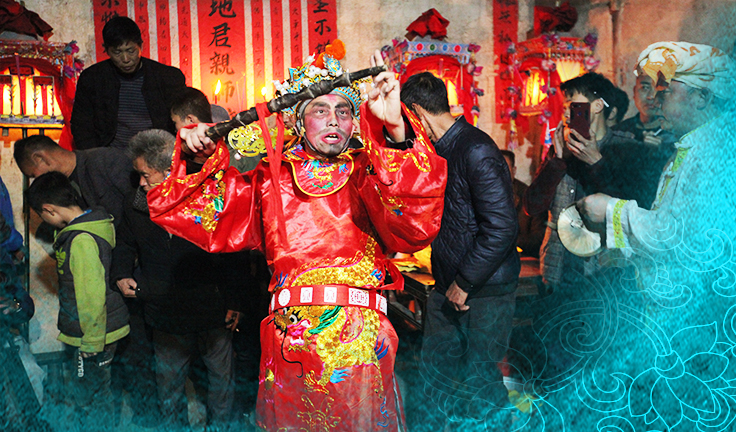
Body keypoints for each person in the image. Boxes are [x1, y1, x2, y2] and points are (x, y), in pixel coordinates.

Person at [146, 49, 446, 431]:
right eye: (320, 109)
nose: (334, 119)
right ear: (299, 121)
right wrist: (196, 155)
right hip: (290, 339)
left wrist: (397, 133)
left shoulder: (369, 173)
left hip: (359, 337)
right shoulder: (270, 179)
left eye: (343, 110)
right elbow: (195, 208)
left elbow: (416, 224)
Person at [395, 72, 518, 428]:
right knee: (435, 376)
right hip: (447, 285)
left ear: (416, 113)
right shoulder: (437, 149)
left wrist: (464, 282)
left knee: (481, 381)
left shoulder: (475, 149)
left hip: (484, 289)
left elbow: (501, 227)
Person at [112, 129, 243, 430]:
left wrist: (236, 300)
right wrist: (121, 274)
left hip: (212, 310)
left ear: (170, 171)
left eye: (146, 175)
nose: (140, 182)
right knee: (169, 390)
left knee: (221, 385)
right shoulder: (137, 204)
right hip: (165, 311)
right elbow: (125, 243)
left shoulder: (207, 197)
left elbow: (233, 251)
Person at [25, 172, 129, 431]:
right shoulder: (88, 227)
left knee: (91, 397)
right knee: (96, 392)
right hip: (95, 330)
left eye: (42, 216)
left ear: (49, 209)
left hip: (93, 335)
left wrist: (92, 341)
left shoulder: (81, 240)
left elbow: (91, 295)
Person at [71, 16, 186, 150]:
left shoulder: (168, 77)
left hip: (157, 154)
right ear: (106, 50)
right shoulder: (92, 79)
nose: (125, 59)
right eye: (117, 52)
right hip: (109, 155)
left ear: (141, 46)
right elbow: (81, 125)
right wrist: (95, 157)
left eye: (131, 51)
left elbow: (182, 121)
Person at [13, 135, 135, 228]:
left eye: (33, 175)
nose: (38, 180)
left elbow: (138, 207)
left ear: (39, 158)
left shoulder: (105, 160)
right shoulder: (61, 188)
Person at [613, 66, 677, 148]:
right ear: (634, 92)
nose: (651, 96)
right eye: (645, 88)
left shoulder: (676, 135)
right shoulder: (619, 133)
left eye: (658, 90)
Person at [501, 150, 546, 258]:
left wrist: (508, 239)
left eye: (505, 168)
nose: (499, 174)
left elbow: (538, 238)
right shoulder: (481, 195)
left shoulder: (529, 197)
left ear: (514, 170)